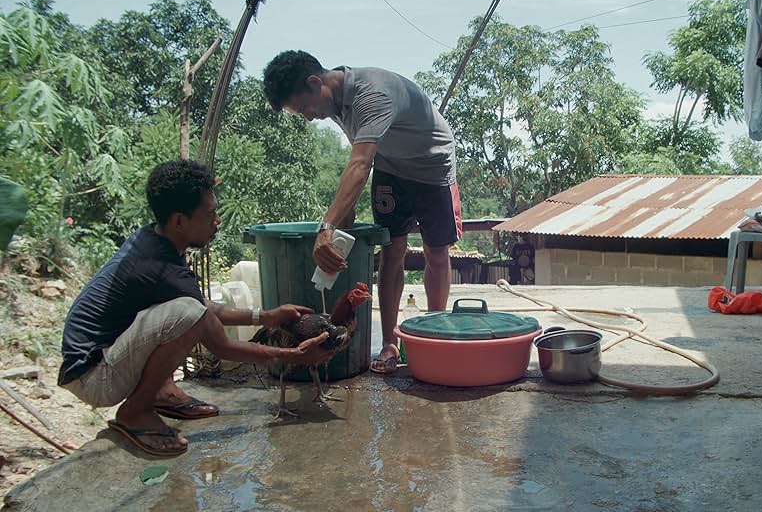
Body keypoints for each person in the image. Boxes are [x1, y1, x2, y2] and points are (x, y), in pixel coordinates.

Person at [58, 160, 334, 458]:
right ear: (179, 220)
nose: (217, 220)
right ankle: (134, 413)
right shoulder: (160, 266)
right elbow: (220, 344)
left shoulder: (155, 239)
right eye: (210, 214)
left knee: (188, 310)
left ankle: (161, 392)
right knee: (187, 314)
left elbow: (207, 307)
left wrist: (265, 316)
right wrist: (292, 356)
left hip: (99, 358)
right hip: (95, 377)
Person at [263, 50, 462, 374]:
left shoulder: (373, 93)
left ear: (316, 83)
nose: (308, 117)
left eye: (304, 107)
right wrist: (347, 212)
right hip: (389, 166)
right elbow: (360, 157)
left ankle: (433, 332)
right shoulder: (336, 104)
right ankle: (390, 343)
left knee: (435, 252)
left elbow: (360, 163)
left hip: (432, 166)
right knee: (391, 249)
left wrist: (326, 228)